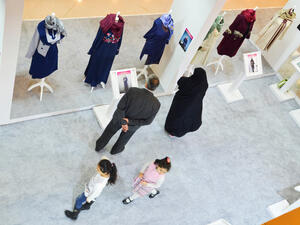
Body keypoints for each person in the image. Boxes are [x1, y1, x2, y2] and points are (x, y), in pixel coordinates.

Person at [95, 75, 161, 155]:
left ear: (146, 83)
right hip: (133, 126)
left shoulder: (132, 91)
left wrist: (123, 122)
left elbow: (120, 107)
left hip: (119, 119)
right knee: (124, 139)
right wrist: (128, 122)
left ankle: (99, 146)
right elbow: (148, 121)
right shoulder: (156, 104)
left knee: (108, 132)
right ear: (155, 88)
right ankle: (116, 150)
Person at [165, 67, 208, 137]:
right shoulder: (205, 85)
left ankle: (171, 131)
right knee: (186, 119)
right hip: (195, 105)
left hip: (182, 103)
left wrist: (184, 76)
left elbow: (180, 81)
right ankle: (179, 132)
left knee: (176, 116)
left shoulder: (189, 82)